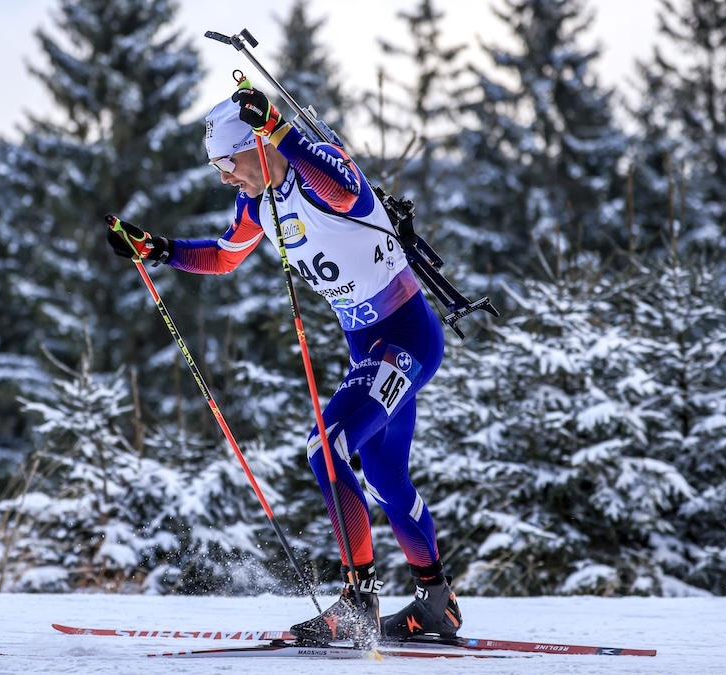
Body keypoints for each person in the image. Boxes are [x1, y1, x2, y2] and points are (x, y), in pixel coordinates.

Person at [104, 84, 460, 646]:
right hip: (370, 348)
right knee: (386, 474)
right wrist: (161, 250)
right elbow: (224, 257)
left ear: (258, 145)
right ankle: (435, 604)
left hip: (407, 336)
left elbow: (345, 192)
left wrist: (280, 129)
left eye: (228, 161)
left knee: (328, 446)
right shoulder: (255, 202)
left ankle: (358, 600)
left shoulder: (319, 167)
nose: (225, 176)